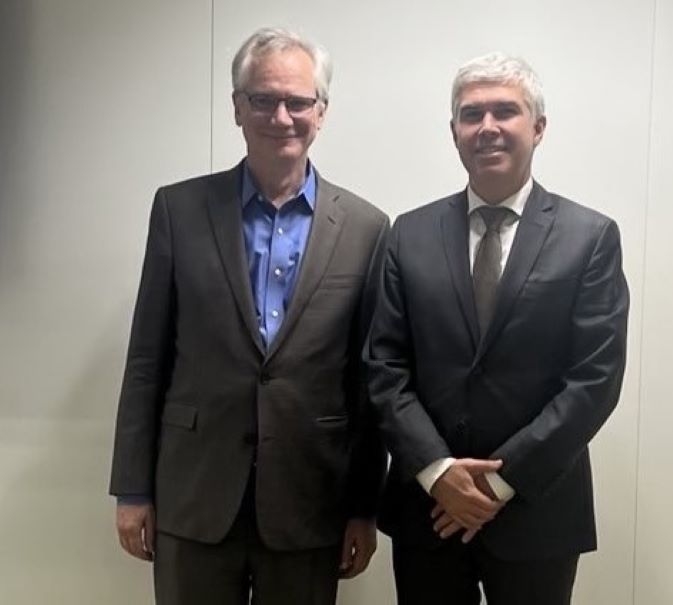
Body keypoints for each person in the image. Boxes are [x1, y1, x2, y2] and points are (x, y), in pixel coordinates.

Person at [109, 27, 389, 605]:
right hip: (194, 495)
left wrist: (363, 507)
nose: (281, 116)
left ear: (322, 112)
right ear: (237, 107)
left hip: (311, 501)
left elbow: (367, 384)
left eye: (298, 101)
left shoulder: (367, 228)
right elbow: (146, 359)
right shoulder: (179, 209)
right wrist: (132, 489)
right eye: (263, 99)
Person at [365, 51, 629, 605]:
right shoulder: (408, 234)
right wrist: (438, 471)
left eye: (505, 111)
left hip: (538, 510)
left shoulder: (589, 237)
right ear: (454, 132)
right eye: (471, 114)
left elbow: (594, 379)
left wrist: (497, 481)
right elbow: (384, 368)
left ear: (538, 127)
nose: (487, 127)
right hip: (428, 510)